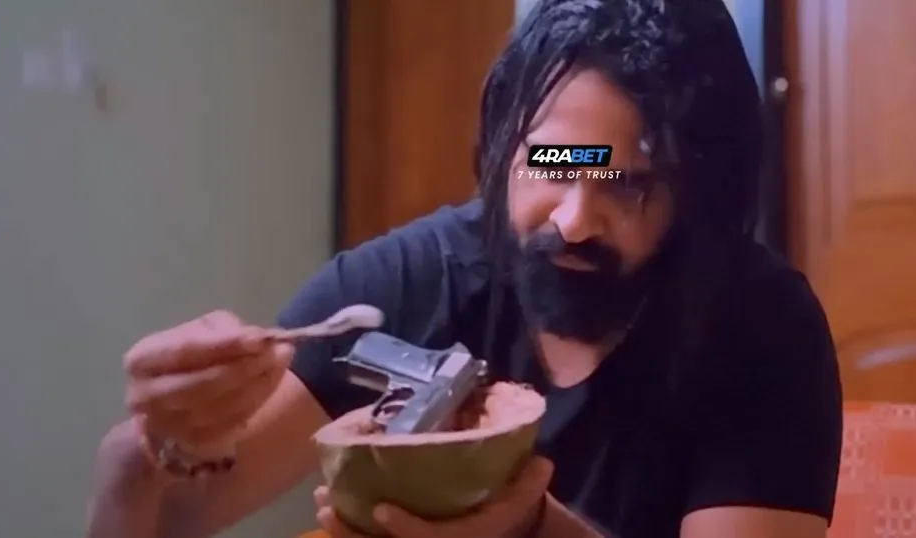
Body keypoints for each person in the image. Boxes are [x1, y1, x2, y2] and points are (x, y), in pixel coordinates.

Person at [86, 0, 843, 536]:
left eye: (629, 184)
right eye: (554, 162)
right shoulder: (409, 283)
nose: (574, 218)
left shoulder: (761, 327)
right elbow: (167, 519)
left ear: (701, 189)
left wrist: (531, 529)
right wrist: (144, 452)